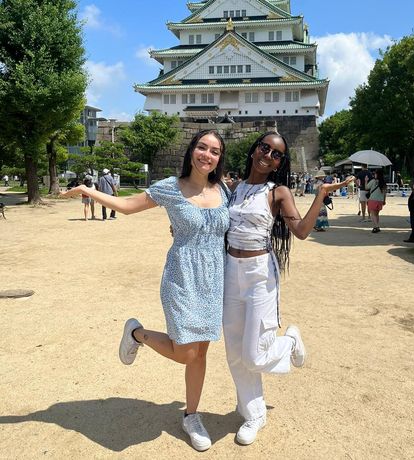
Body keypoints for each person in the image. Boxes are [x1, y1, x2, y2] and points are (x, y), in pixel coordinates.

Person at [61, 130, 230, 452]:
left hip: (213, 279)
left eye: (215, 151)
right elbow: (126, 205)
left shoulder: (223, 189)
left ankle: (191, 415)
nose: (207, 155)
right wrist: (88, 190)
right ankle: (137, 334)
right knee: (186, 353)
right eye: (202, 147)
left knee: (201, 353)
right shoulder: (170, 188)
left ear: (220, 158)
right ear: (191, 151)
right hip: (181, 276)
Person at [223, 132, 353, 445]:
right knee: (234, 353)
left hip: (260, 276)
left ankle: (290, 341)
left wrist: (320, 194)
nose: (268, 154)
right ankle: (254, 413)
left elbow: (302, 232)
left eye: (276, 153)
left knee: (254, 355)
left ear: (281, 163)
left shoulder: (277, 192)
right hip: (231, 272)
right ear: (255, 149)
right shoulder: (233, 187)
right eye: (264, 147)